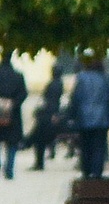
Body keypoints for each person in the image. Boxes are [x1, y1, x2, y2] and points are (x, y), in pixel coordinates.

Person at [68, 50, 109, 178]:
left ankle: (86, 171)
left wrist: (71, 116)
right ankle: (97, 173)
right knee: (99, 147)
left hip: (83, 117)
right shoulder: (105, 77)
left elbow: (75, 98)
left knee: (85, 146)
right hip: (102, 117)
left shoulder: (81, 77)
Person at [26, 61, 65, 171]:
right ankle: (40, 160)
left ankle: (39, 162)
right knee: (41, 138)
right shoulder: (60, 83)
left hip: (47, 114)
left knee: (39, 139)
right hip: (52, 112)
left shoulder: (53, 84)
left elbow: (47, 99)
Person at [0, 51, 28, 180]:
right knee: (12, 143)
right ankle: (9, 170)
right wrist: (13, 104)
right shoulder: (18, 76)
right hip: (13, 113)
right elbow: (23, 93)